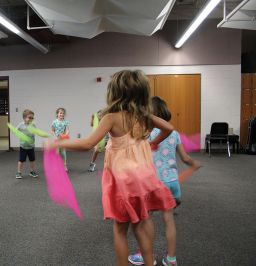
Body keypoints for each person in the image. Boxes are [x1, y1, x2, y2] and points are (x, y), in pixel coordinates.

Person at [45, 70, 176, 266]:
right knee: (140, 226)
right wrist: (152, 143)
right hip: (144, 178)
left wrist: (57, 144)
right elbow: (169, 128)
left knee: (120, 230)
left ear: (115, 92)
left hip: (124, 181)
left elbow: (88, 144)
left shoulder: (112, 117)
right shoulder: (144, 116)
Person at [128, 96, 201, 266]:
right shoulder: (174, 133)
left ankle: (147, 256)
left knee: (147, 219)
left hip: (152, 183)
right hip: (172, 182)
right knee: (169, 220)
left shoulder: (144, 133)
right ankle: (171, 259)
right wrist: (194, 164)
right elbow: (184, 157)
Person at [15, 109, 39, 179]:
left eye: (32, 118)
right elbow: (16, 131)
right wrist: (20, 135)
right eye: (29, 117)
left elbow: (35, 132)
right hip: (23, 146)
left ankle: (32, 171)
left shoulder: (33, 125)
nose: (31, 119)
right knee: (21, 160)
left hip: (31, 146)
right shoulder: (21, 125)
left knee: (32, 160)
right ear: (24, 118)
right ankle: (19, 172)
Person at [50, 107, 70, 172]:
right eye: (60, 113)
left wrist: (65, 135)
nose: (62, 114)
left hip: (62, 139)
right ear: (57, 114)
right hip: (56, 139)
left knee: (63, 153)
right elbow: (52, 130)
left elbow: (67, 130)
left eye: (63, 113)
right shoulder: (54, 122)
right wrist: (55, 136)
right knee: (57, 153)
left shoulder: (66, 122)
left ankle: (64, 165)